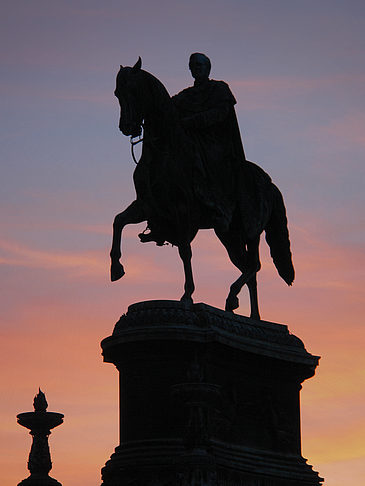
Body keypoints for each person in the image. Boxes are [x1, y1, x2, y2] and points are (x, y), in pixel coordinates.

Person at [172, 52, 247, 232]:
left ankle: (216, 205)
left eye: (200, 65)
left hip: (215, 143)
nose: (196, 68)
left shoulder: (219, 89)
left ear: (207, 68)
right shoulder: (185, 96)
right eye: (193, 66)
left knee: (199, 158)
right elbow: (166, 107)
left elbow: (220, 113)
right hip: (192, 141)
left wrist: (193, 121)